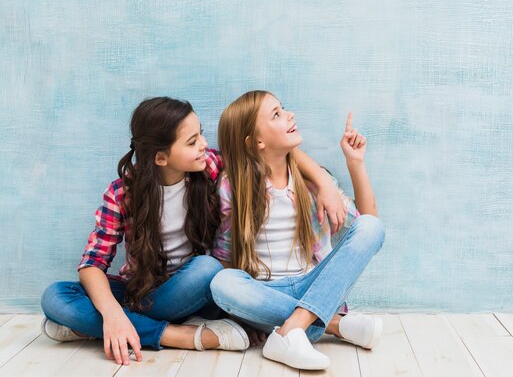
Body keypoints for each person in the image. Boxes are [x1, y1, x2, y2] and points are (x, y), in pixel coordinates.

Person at [40, 96, 346, 366]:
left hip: (198, 293)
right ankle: (177, 335)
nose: (204, 144)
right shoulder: (122, 194)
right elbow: (92, 263)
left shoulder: (207, 168)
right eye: (192, 141)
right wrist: (113, 314)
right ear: (161, 158)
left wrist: (322, 182)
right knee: (55, 297)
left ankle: (90, 327)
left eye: (200, 134)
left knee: (208, 268)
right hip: (144, 294)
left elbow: (272, 153)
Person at [210, 90, 385, 370]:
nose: (290, 115)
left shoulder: (314, 184)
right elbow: (224, 257)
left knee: (373, 227)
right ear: (256, 142)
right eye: (276, 115)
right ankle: (332, 324)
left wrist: (356, 163)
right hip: (264, 291)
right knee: (221, 283)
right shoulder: (232, 188)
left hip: (313, 284)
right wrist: (242, 313)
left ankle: (291, 328)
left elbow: (367, 225)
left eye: (284, 109)